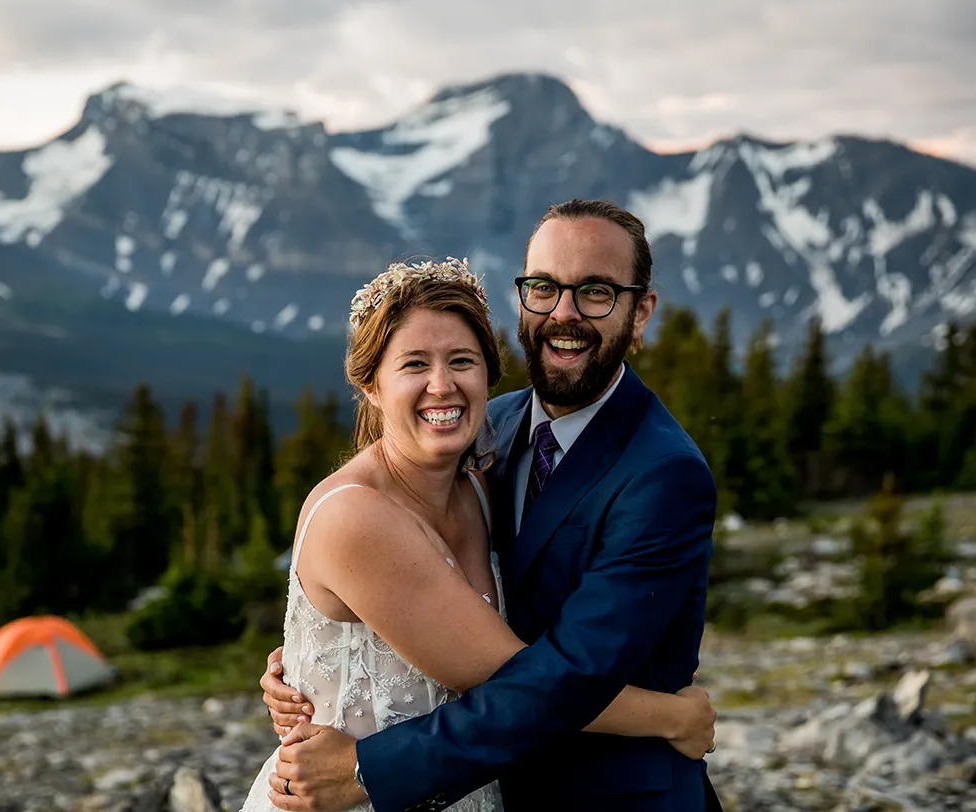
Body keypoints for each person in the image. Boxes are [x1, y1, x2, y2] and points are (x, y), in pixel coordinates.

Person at [261, 199, 724, 811]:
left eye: (595, 292)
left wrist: (369, 770)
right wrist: (307, 669)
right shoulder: (492, 431)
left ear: (640, 314)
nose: (564, 313)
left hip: (609, 795)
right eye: (544, 288)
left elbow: (567, 679)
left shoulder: (664, 476)